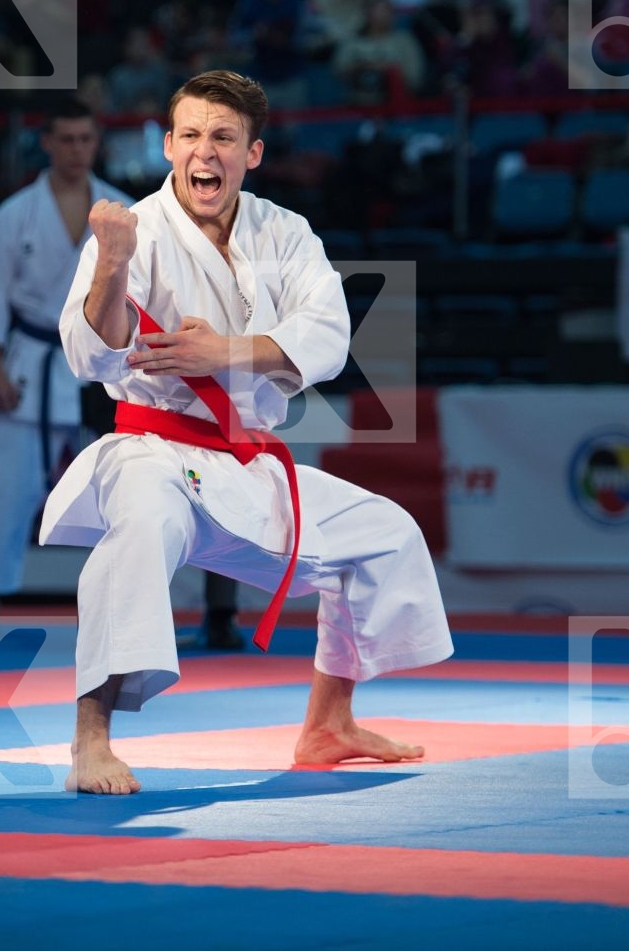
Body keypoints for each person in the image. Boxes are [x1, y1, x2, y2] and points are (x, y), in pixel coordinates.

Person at [39, 70, 454, 794]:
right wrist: (110, 261)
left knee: (385, 533)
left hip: (246, 462)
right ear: (169, 146)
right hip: (155, 450)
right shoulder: (131, 229)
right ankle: (91, 738)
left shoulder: (284, 233)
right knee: (140, 524)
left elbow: (326, 337)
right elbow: (93, 352)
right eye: (192, 135)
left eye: (224, 138)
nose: (207, 151)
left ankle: (328, 724)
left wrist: (224, 351)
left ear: (252, 153)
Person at [0, 100, 132, 634]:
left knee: (123, 492)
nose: (78, 149)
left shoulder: (127, 212)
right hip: (31, 364)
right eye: (68, 139)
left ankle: (127, 607)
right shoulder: (12, 217)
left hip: (104, 365)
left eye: (87, 139)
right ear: (47, 142)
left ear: (97, 142)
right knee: (6, 488)